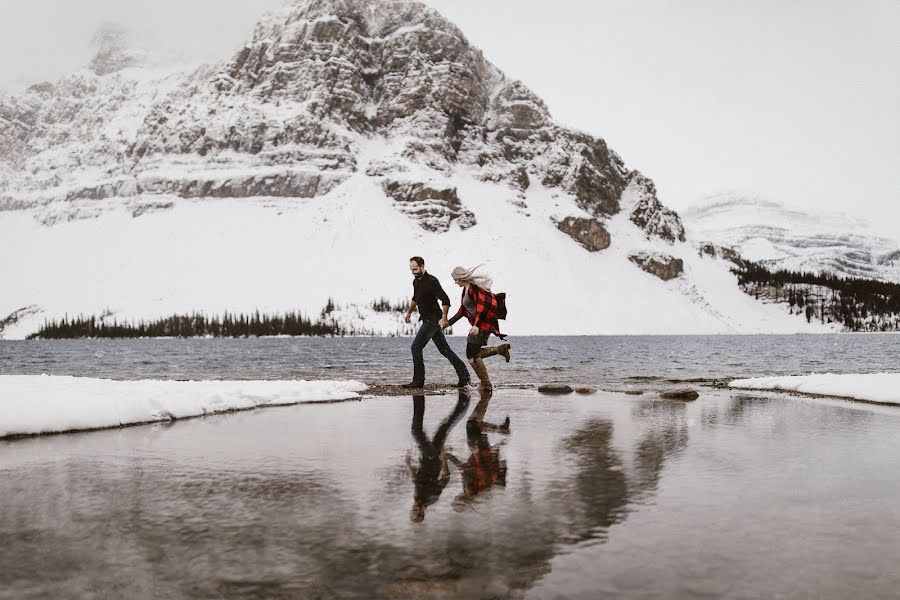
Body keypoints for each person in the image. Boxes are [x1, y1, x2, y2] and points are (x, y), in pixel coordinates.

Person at [403, 256, 470, 388]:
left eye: (415, 269)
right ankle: (465, 377)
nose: (413, 272)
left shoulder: (432, 281)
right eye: (411, 270)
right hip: (427, 320)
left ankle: (418, 381)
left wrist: (444, 318)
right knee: (444, 350)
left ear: (422, 266)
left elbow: (445, 300)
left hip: (433, 320)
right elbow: (415, 298)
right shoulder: (416, 282)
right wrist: (409, 312)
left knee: (416, 347)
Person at [406, 389, 471, 523]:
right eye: (415, 511)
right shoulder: (431, 498)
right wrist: (444, 459)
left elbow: (415, 480)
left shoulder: (418, 499)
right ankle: (418, 397)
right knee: (416, 431)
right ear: (422, 512)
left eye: (411, 510)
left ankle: (464, 401)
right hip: (432, 457)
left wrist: (408, 464)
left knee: (444, 427)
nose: (413, 508)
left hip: (426, 457)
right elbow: (446, 478)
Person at [441, 265, 510, 389]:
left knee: (471, 355)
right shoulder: (465, 291)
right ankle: (500, 350)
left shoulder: (474, 288)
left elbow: (480, 307)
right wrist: (449, 323)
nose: (455, 282)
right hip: (479, 325)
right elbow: (462, 310)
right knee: (473, 353)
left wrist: (476, 325)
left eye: (456, 279)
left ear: (461, 277)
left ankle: (486, 384)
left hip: (483, 325)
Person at [443, 387, 509, 513]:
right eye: (455, 499)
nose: (455, 496)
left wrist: (448, 456)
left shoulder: (476, 491)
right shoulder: (470, 488)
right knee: (471, 423)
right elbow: (465, 468)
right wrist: (475, 453)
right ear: (460, 499)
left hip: (485, 455)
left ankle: (499, 428)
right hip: (479, 453)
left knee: (475, 425)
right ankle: (485, 396)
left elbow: (467, 469)